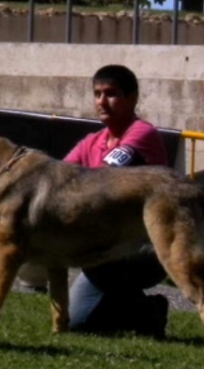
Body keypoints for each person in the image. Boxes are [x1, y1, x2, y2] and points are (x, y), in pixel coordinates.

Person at [63, 64, 170, 338]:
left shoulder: (141, 133)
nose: (102, 101)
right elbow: (59, 180)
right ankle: (148, 310)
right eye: (97, 94)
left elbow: (106, 181)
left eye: (111, 94)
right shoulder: (91, 142)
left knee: (93, 252)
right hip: (108, 247)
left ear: (132, 98)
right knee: (77, 323)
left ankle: (144, 310)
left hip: (150, 245)